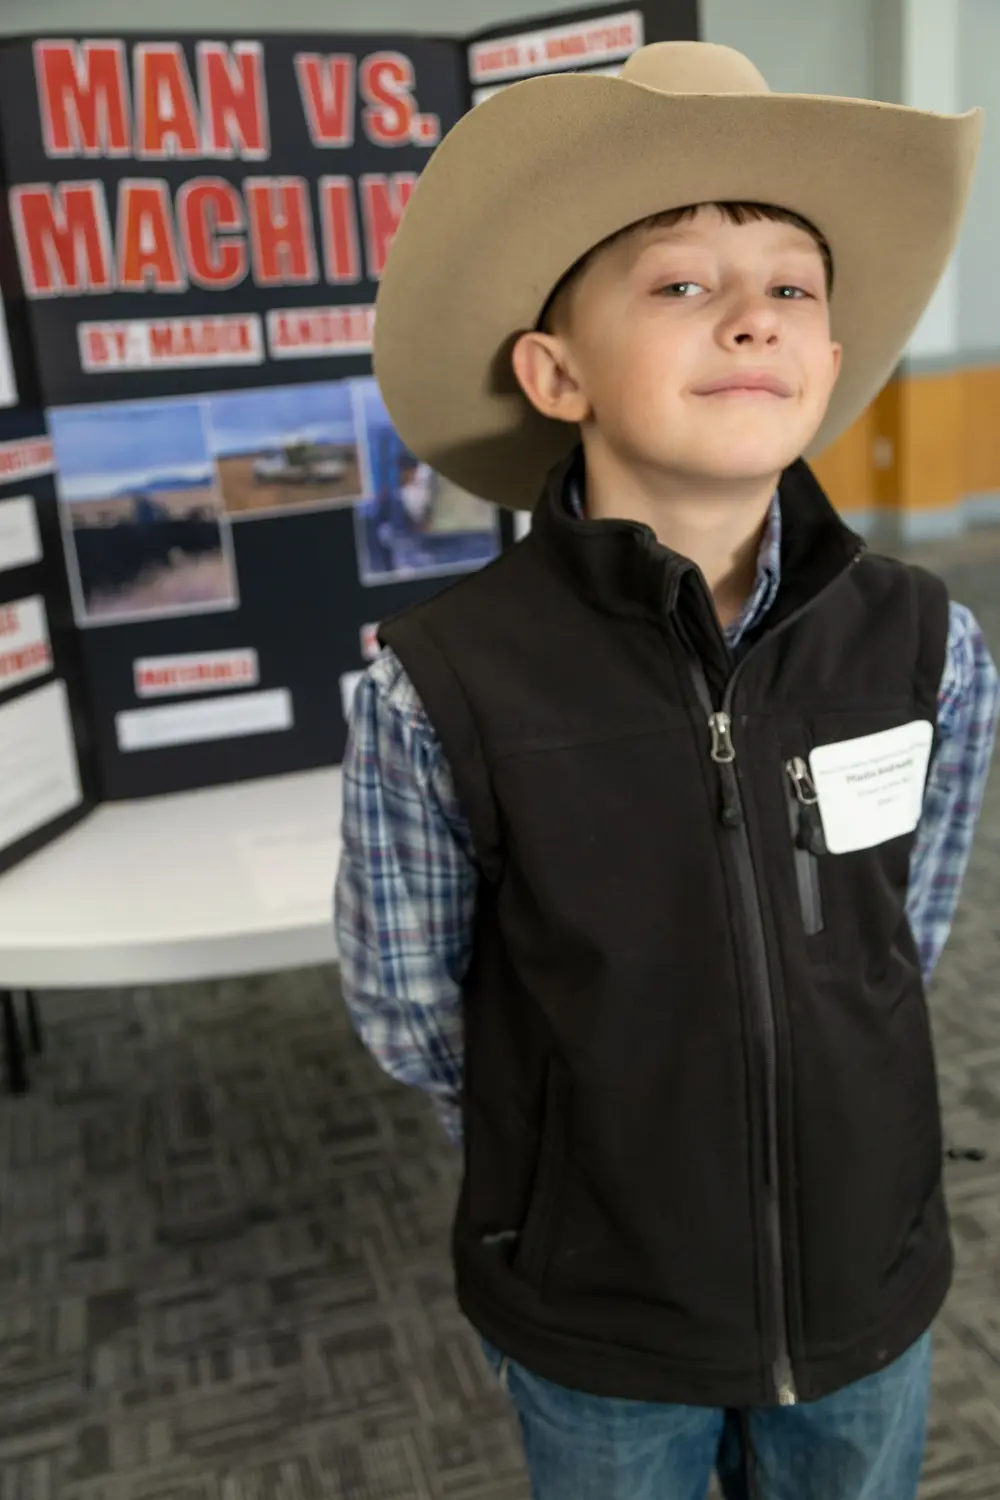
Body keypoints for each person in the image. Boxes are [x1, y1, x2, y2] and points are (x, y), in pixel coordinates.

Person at [335, 42, 998, 1500]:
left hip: (865, 1286)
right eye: (684, 284)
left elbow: (910, 926)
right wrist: (568, 1164)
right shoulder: (442, 684)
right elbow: (408, 1003)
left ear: (828, 362)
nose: (753, 318)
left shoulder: (929, 644)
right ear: (556, 371)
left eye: (793, 289)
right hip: (602, 1319)